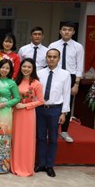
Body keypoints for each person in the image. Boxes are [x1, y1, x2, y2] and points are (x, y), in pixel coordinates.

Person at [36, 49, 71, 178]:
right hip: (40, 108)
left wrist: (64, 113)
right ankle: (41, 163)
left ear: (59, 59)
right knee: (40, 137)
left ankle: (49, 165)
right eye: (49, 56)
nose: (51, 59)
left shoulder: (65, 74)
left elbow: (66, 94)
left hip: (55, 109)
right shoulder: (39, 73)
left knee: (52, 138)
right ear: (46, 58)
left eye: (54, 57)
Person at [49, 21, 84, 143]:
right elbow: (49, 60)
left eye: (69, 30)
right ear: (60, 31)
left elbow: (79, 66)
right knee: (54, 102)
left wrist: (76, 84)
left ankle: (64, 131)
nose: (66, 32)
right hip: (56, 74)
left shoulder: (78, 47)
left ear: (73, 32)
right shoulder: (53, 45)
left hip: (71, 76)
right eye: (64, 29)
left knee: (67, 103)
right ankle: (52, 130)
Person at [10, 58, 44, 177]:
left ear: (33, 69)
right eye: (24, 66)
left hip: (28, 114)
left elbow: (41, 101)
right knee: (16, 139)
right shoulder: (16, 81)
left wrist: (24, 105)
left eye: (29, 67)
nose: (26, 69)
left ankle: (25, 167)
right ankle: (15, 165)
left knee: (26, 140)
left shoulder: (36, 83)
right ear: (20, 68)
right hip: (16, 113)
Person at [0, 59, 20, 174]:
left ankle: (3, 166)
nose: (4, 70)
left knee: (3, 137)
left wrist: (5, 104)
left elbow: (17, 98)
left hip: (5, 112)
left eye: (7, 68)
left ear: (10, 70)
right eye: (2, 67)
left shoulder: (11, 83)